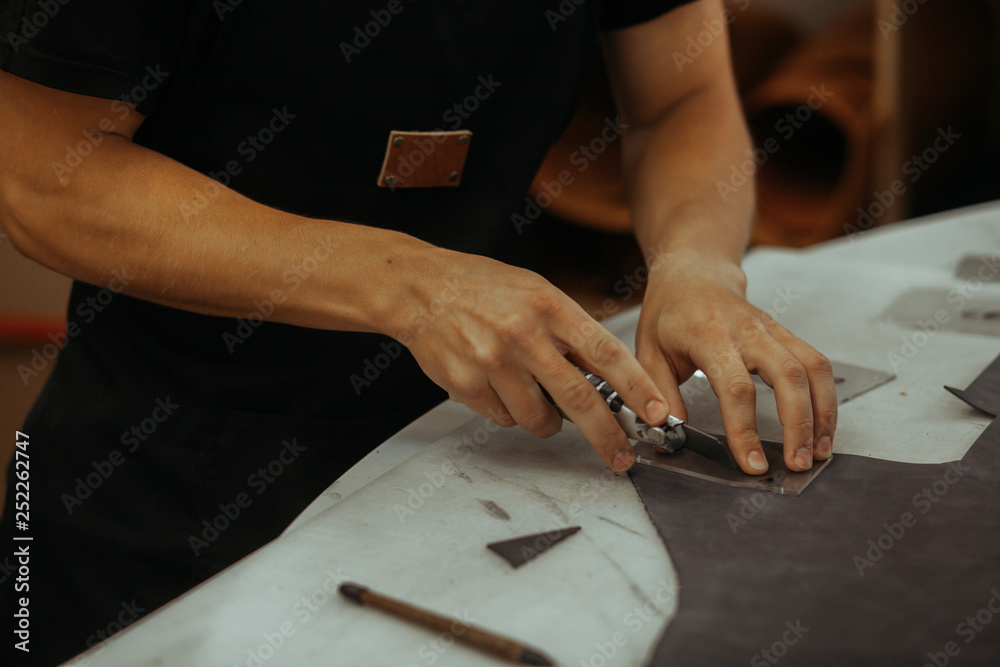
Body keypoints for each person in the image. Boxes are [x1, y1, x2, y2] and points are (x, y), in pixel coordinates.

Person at [0, 0, 837, 664]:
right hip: (167, 470)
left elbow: (679, 99)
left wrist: (697, 263)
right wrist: (413, 285)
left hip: (479, 445)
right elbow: (47, 181)